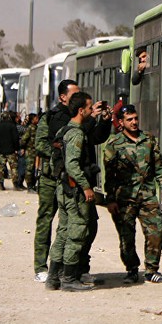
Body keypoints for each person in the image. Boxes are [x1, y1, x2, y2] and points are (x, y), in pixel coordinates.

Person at [33, 80, 111, 283]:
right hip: (58, 179)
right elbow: (41, 144)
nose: (78, 96)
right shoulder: (53, 119)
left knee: (84, 225)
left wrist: (102, 121)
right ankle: (46, 268)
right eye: (74, 94)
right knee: (52, 222)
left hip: (74, 179)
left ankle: (76, 268)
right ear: (63, 97)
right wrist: (62, 154)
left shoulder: (80, 121)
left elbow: (95, 138)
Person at [102, 104, 162, 284]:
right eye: (129, 120)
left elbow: (159, 167)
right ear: (121, 122)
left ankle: (151, 270)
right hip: (124, 198)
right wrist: (110, 199)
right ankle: (132, 269)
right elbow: (109, 175)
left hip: (147, 195)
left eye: (135, 118)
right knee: (127, 238)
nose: (134, 122)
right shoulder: (113, 144)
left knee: (155, 233)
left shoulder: (148, 139)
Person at [45, 91, 98, 292]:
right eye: (89, 107)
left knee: (63, 232)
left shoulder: (62, 131)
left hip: (63, 189)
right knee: (77, 233)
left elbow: (54, 162)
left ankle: (53, 278)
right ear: (80, 110)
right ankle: (68, 279)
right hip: (75, 191)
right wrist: (86, 186)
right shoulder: (76, 133)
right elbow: (72, 165)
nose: (91, 110)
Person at [0, 112, 22, 190]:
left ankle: (1, 183)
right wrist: (17, 148)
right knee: (14, 168)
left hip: (1, 150)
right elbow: (15, 138)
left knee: (1, 168)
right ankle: (15, 184)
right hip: (11, 150)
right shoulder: (12, 126)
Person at [20, 113, 39, 192]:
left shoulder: (37, 128)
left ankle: (33, 185)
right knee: (29, 169)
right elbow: (23, 139)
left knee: (35, 169)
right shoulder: (30, 128)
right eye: (36, 118)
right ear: (32, 120)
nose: (37, 120)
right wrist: (23, 148)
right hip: (30, 151)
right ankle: (29, 186)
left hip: (35, 151)